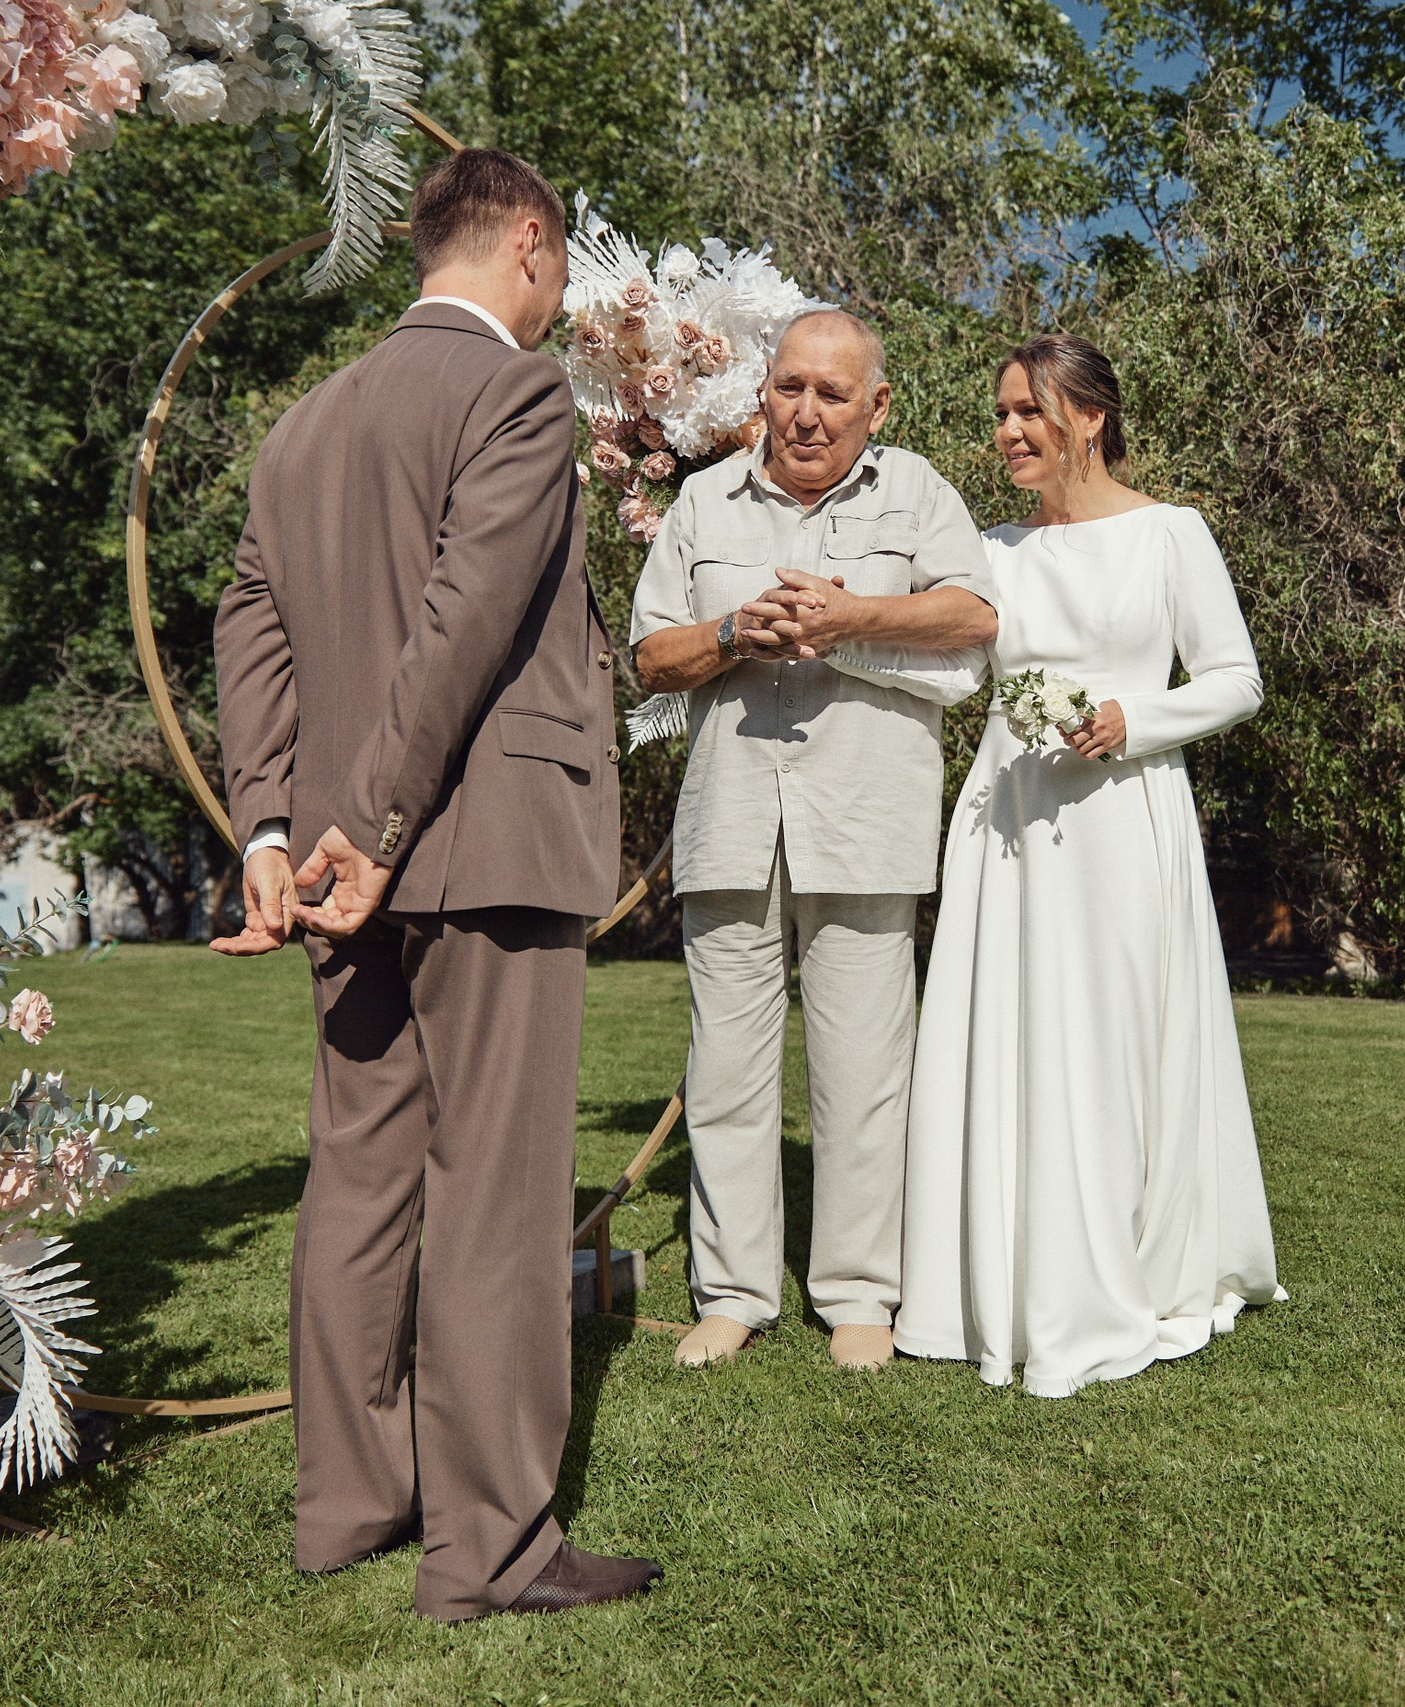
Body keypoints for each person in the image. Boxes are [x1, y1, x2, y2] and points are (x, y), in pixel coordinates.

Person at [209, 148, 661, 1620]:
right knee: (498, 1194)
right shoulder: (517, 393)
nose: (565, 294)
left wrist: (274, 829)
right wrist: (386, 821)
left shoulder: (304, 425)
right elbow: (468, 618)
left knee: (360, 1173)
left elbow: (251, 624)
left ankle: (348, 1503)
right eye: (566, 263)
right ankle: (494, 1547)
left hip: (345, 860)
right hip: (476, 843)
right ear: (532, 239)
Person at [893, 332, 1283, 1397]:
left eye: (1028, 412)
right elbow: (951, 672)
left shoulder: (1171, 536)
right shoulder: (992, 549)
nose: (1007, 432)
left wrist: (1134, 717)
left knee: (1108, 1038)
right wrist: (836, 634)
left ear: (1089, 417)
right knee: (1006, 1030)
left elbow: (1237, 678)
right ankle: (997, 1282)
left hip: (1119, 818)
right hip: (1006, 818)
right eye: (1002, 413)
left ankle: (1118, 1265)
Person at [629, 309, 996, 1372]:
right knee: (728, 1068)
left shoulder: (918, 493)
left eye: (833, 394)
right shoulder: (703, 501)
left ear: (876, 407)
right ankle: (732, 1293)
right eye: (790, 387)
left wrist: (849, 617)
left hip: (866, 816)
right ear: (763, 394)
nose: (806, 411)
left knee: (863, 1072)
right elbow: (652, 657)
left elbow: (974, 616)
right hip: (730, 818)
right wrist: (733, 633)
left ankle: (857, 1298)